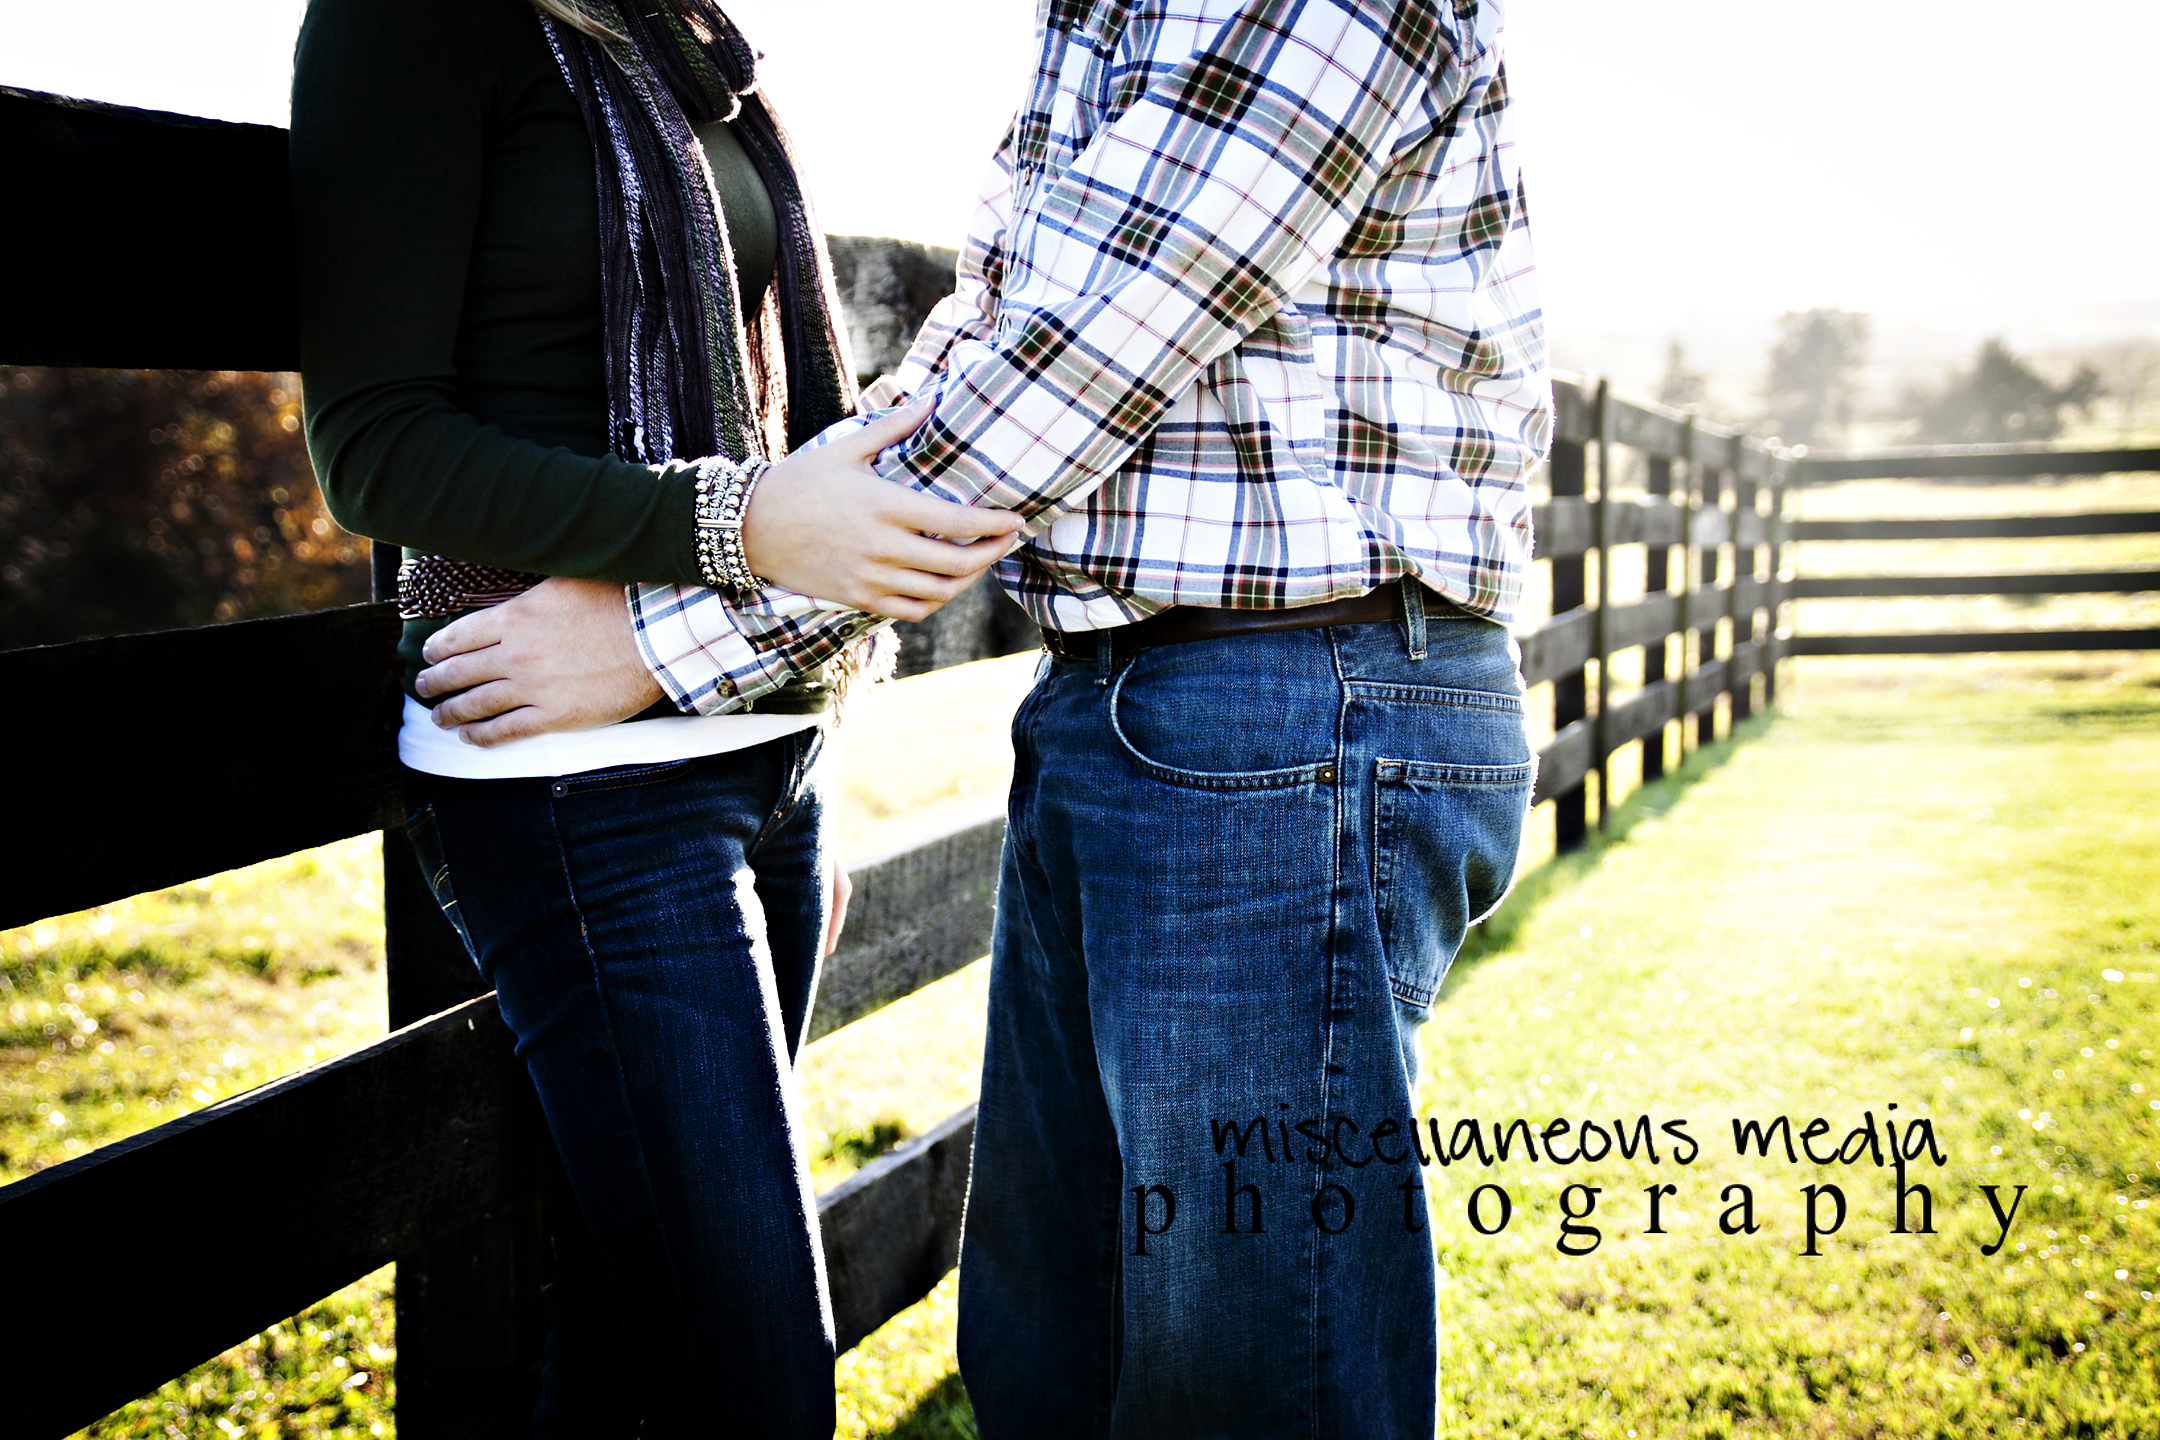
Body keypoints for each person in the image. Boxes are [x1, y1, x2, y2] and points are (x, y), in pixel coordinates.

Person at [425, 0, 1550, 1433]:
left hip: (1292, 715)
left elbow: (1076, 364)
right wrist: (764, 540)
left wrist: (680, 624)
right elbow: (989, 335)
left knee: (1248, 1377)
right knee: (1048, 1348)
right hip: (1142, 708)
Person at [289, 0, 1021, 1433]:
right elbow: (372, 448)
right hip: (578, 784)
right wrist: (739, 520)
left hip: (761, 739)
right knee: (753, 1380)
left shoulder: (680, 38)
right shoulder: (412, 22)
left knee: (644, 1340)